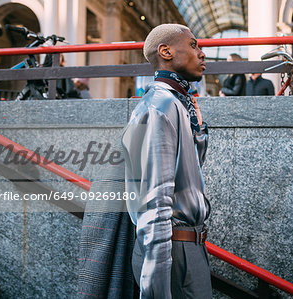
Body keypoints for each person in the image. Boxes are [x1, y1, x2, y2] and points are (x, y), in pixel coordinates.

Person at [121, 24, 212, 298]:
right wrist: (156, 286)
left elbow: (191, 169)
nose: (202, 53)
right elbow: (153, 203)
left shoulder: (177, 102)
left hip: (187, 250)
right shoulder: (159, 106)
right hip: (171, 254)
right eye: (194, 45)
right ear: (166, 51)